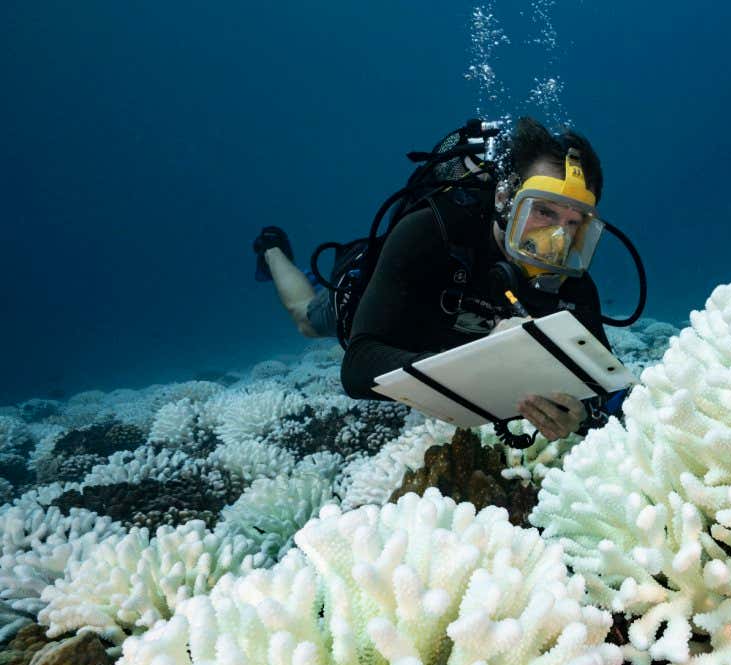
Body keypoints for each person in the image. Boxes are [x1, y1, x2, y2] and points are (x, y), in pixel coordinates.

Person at [252, 117, 626, 442]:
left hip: (431, 355)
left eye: (573, 223)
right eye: (543, 211)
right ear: (504, 198)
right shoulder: (433, 230)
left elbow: (601, 392)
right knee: (306, 320)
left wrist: (581, 418)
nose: (556, 239)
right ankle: (271, 250)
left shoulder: (572, 285)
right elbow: (357, 368)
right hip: (381, 294)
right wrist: (487, 361)